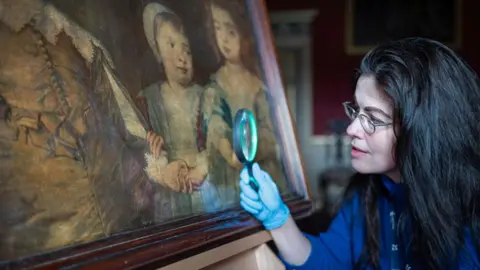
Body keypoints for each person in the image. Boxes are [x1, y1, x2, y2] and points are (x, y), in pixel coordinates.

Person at [239, 37, 480, 269]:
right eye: (356, 110)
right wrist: (278, 218)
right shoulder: (366, 194)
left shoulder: (469, 213)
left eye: (373, 118)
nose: (352, 129)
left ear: (424, 130)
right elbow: (327, 262)